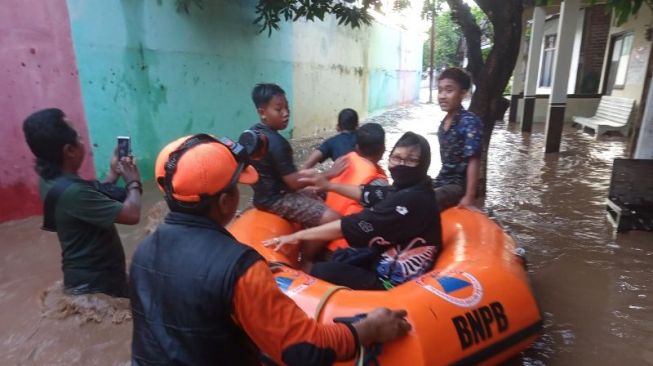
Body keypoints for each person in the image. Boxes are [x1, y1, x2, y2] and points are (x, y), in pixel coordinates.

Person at [130, 134, 411, 365]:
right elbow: (304, 349)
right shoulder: (240, 267)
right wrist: (368, 328)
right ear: (227, 201)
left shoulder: (142, 251)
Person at [265, 132, 442, 291]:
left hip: (391, 282)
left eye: (411, 160)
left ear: (424, 163)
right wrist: (329, 185)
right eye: (396, 158)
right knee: (341, 258)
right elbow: (368, 193)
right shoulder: (407, 188)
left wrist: (295, 237)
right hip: (380, 259)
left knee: (319, 270)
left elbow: (352, 225)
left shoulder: (412, 200)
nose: (401, 165)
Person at [22, 108, 142, 298]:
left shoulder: (49, 179)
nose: (83, 141)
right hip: (99, 287)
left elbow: (87, 200)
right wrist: (133, 181)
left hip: (82, 281)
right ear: (69, 150)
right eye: (79, 137)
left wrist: (112, 175)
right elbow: (132, 215)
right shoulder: (74, 193)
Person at [248, 83, 340, 228]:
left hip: (262, 196)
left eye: (287, 108)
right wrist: (330, 173)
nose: (285, 113)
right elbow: (294, 183)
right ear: (262, 112)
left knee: (320, 193)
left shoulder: (253, 133)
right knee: (333, 218)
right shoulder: (278, 143)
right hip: (277, 199)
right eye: (278, 109)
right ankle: (307, 251)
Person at [433, 67, 483, 210]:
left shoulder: (470, 121)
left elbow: (474, 159)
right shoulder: (443, 123)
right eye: (440, 90)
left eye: (449, 90)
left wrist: (469, 196)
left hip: (458, 186)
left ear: (463, 93)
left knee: (426, 200)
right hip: (442, 180)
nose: (442, 96)